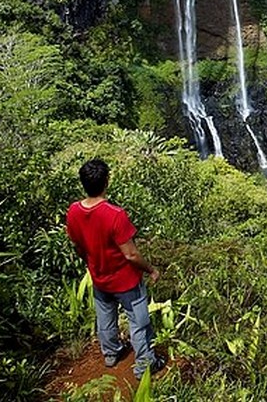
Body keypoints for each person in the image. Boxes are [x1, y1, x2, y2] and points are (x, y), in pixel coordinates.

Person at [66, 158, 165, 379]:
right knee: (139, 322)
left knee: (105, 318)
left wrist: (91, 262)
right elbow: (130, 254)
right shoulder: (115, 214)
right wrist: (151, 270)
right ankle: (145, 365)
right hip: (126, 280)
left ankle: (111, 353)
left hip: (99, 277)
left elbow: (78, 245)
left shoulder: (73, 211)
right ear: (107, 181)